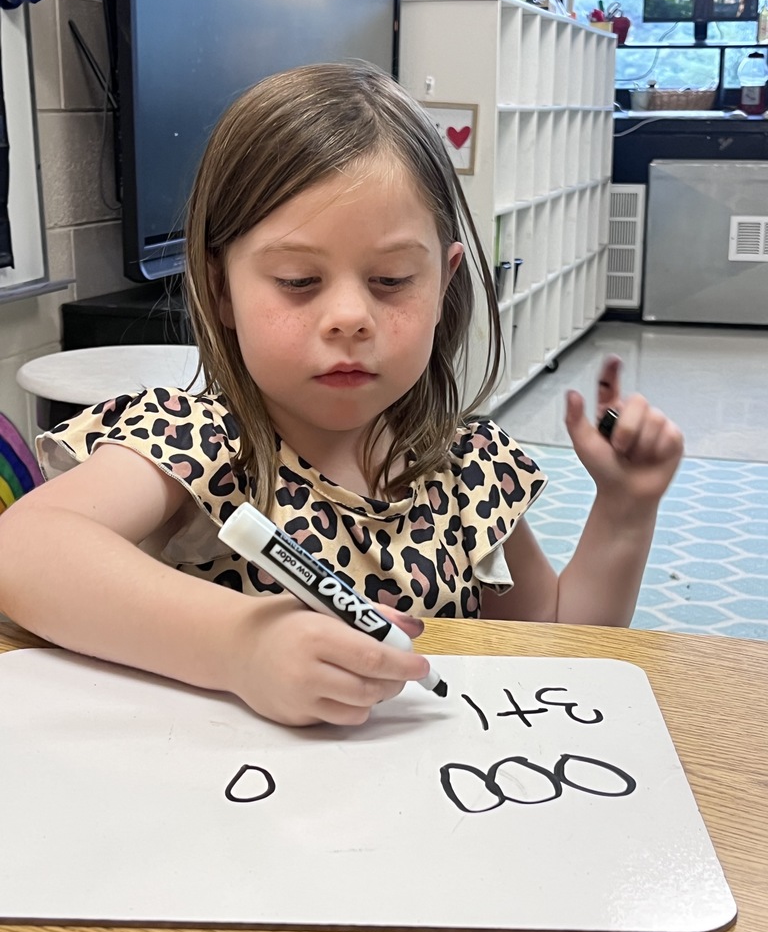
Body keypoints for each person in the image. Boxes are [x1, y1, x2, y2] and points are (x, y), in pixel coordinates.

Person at [0, 62, 683, 727]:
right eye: (299, 280)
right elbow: (23, 548)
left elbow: (559, 649)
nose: (350, 317)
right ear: (219, 288)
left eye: (390, 280)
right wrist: (241, 647)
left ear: (444, 284)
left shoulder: (470, 470)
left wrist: (624, 511)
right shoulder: (194, 443)